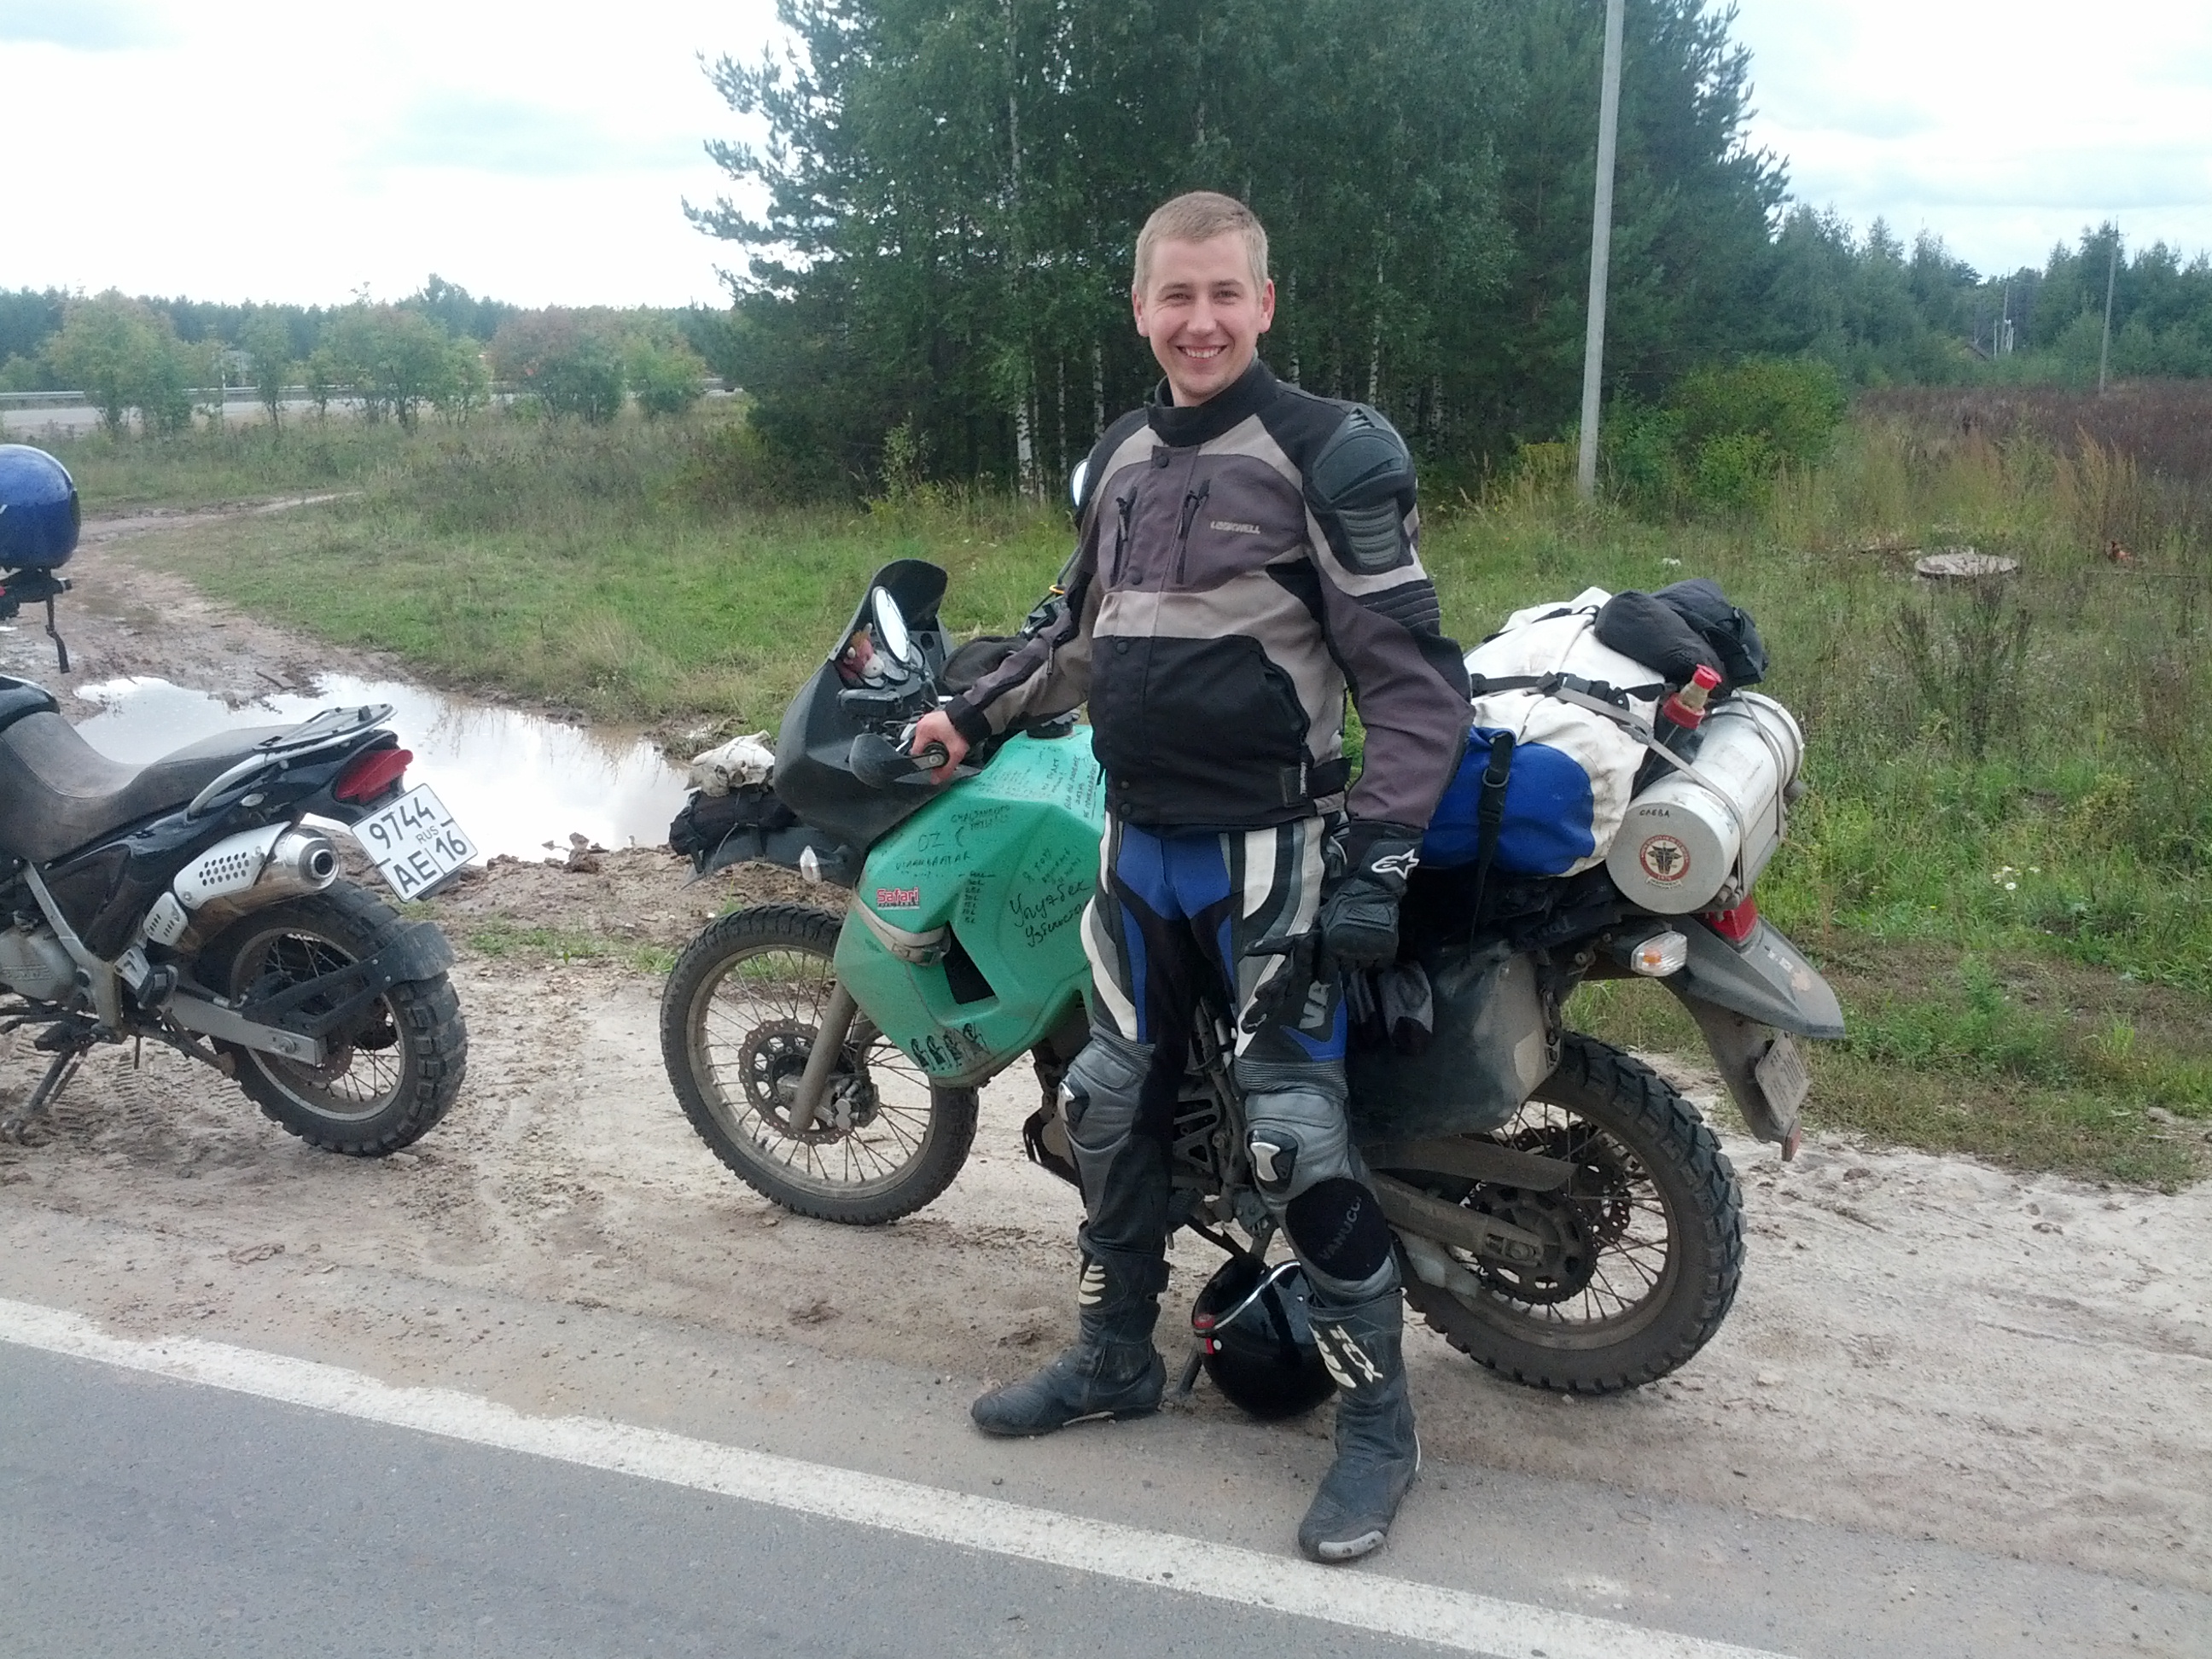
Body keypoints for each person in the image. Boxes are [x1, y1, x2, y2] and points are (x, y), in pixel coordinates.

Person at [909, 190, 1470, 1563]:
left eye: (1226, 294)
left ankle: (1377, 1429)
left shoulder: (1326, 451)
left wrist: (1381, 852)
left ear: (1264, 303)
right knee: (1105, 1104)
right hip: (1139, 847)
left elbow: (1415, 684)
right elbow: (1081, 634)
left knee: (1294, 1140)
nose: (1201, 321)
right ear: (1140, 308)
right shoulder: (1121, 456)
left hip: (1270, 854)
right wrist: (973, 716)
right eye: (1177, 295)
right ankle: (1114, 1356)